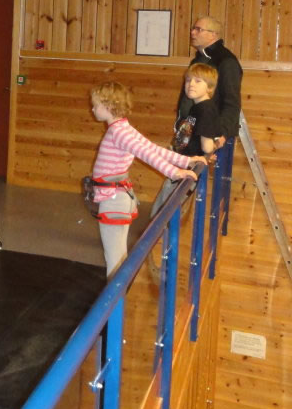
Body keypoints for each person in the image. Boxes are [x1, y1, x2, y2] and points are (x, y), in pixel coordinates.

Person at [89, 81, 205, 278]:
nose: (93, 109)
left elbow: (147, 153)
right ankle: (121, 294)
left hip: (113, 199)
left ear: (108, 106)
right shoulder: (123, 127)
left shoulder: (118, 132)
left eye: (96, 105)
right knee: (119, 255)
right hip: (118, 197)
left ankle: (116, 296)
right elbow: (152, 148)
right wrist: (185, 161)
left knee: (114, 259)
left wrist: (175, 172)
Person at [149, 63, 221, 220]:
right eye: (188, 80)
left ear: (209, 87)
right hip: (182, 161)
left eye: (198, 81)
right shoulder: (197, 107)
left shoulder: (206, 109)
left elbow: (207, 145)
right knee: (164, 202)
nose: (191, 84)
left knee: (166, 208)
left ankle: (159, 229)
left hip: (187, 166)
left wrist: (211, 150)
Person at [176, 16, 242, 147]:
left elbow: (232, 102)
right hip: (191, 131)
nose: (192, 32)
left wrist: (222, 134)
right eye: (193, 28)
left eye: (198, 29)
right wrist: (181, 129)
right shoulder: (198, 60)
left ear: (213, 34)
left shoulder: (226, 61)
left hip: (213, 136)